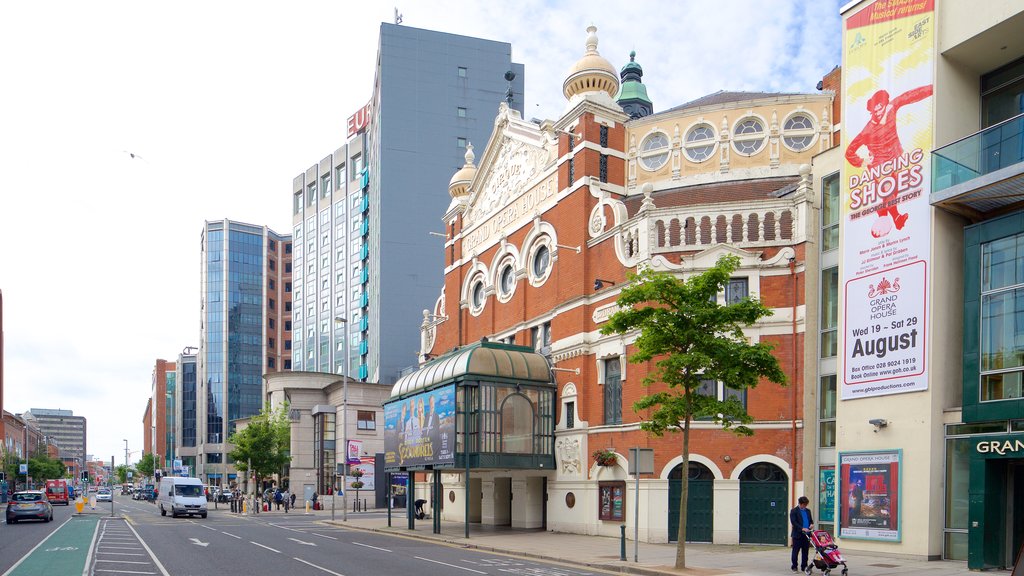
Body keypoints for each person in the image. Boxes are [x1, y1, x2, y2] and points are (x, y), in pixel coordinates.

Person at [844, 85, 933, 238]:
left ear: (885, 105)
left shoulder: (892, 107)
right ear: (871, 111)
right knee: (888, 188)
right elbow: (849, 152)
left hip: (897, 157)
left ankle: (896, 218)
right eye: (875, 111)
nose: (879, 113)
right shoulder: (867, 131)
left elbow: (911, 94)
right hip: (879, 163)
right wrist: (862, 161)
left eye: (881, 108)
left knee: (896, 188)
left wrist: (933, 87)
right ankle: (887, 218)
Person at [790, 496, 814, 573]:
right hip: (797, 535)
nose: (805, 506)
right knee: (795, 551)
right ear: (800, 503)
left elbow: (810, 520)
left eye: (806, 504)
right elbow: (794, 522)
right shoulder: (794, 511)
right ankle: (794, 567)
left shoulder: (808, 511)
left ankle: (804, 566)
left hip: (806, 534)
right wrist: (802, 528)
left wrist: (811, 524)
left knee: (805, 552)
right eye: (804, 504)